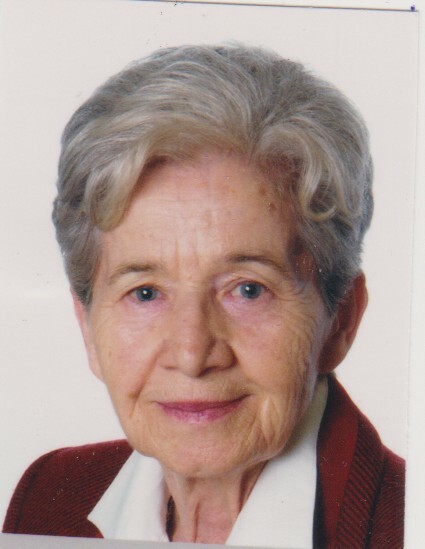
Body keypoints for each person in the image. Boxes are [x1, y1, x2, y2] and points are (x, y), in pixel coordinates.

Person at [3, 44, 404, 547]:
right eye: (145, 293)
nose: (192, 355)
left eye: (248, 290)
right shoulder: (48, 500)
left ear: (340, 318)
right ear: (87, 325)